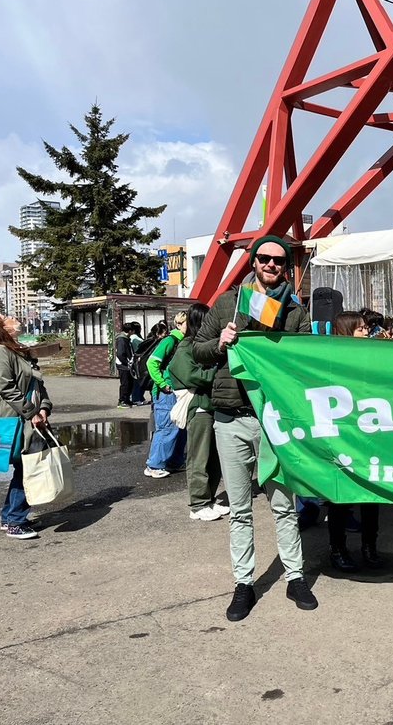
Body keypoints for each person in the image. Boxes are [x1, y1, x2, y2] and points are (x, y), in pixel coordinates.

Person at [193, 234, 319, 621]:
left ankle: (295, 577)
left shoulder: (295, 312)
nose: (271, 265)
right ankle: (244, 583)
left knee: (283, 504)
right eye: (264, 258)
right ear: (253, 262)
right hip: (230, 417)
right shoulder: (227, 302)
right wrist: (220, 341)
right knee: (239, 508)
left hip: (273, 421)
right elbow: (196, 348)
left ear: (286, 267)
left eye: (278, 261)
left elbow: (306, 363)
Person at [0, 311, 53, 540]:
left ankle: (9, 516)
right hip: (16, 419)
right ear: (1, 327)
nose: (13, 317)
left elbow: (36, 384)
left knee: (24, 466)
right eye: (6, 317)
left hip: (28, 417)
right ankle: (15, 521)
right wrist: (32, 412)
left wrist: (44, 407)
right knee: (28, 467)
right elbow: (5, 387)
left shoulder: (15, 350)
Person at [324, 311, 383, 572]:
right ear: (346, 331)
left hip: (371, 437)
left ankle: (370, 547)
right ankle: (337, 549)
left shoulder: (373, 356)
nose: (366, 332)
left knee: (372, 497)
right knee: (341, 498)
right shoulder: (331, 361)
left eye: (366, 328)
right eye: (360, 329)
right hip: (343, 438)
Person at [167, 303, 228, 522]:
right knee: (199, 457)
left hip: (210, 406)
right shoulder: (186, 347)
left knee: (213, 458)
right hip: (199, 407)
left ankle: (209, 499)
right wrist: (216, 374)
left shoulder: (198, 345)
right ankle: (198, 503)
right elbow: (192, 375)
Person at [143, 313, 187, 479]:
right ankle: (154, 465)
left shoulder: (179, 341)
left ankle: (173, 461)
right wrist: (162, 383)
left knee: (179, 427)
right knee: (167, 428)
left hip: (175, 391)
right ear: (180, 324)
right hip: (166, 392)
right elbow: (151, 362)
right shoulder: (170, 341)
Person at [128, 323, 149, 405]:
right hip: (138, 362)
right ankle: (137, 398)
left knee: (136, 380)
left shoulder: (131, 338)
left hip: (133, 362)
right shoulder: (136, 339)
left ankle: (139, 397)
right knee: (138, 380)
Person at [114, 324, 133, 408]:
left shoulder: (125, 338)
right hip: (123, 365)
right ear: (130, 331)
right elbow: (120, 354)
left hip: (125, 364)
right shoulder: (122, 339)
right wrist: (126, 362)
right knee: (125, 383)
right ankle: (122, 401)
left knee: (129, 383)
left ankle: (127, 399)